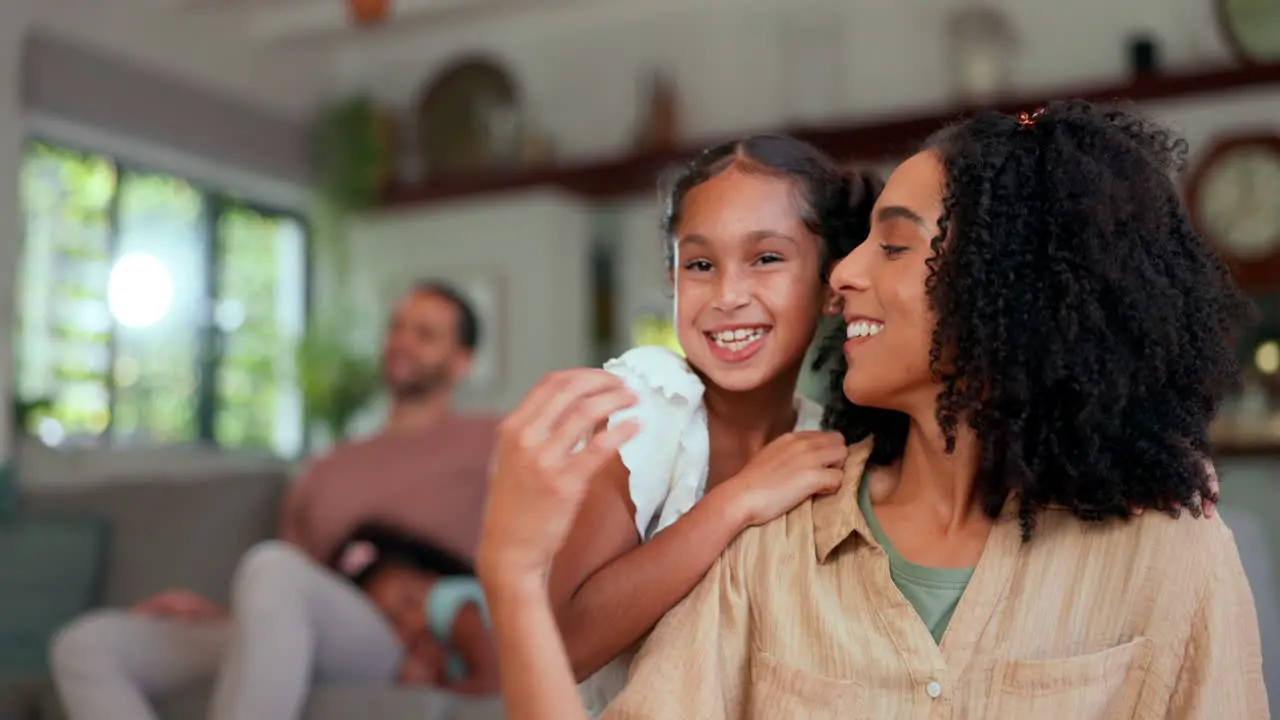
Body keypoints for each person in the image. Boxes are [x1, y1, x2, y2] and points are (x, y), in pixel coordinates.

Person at [477, 101, 1267, 719]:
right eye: (699, 264)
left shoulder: (1168, 551)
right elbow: (567, 643)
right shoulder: (765, 523)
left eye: (890, 247)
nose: (846, 276)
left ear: (1010, 291)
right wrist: (511, 573)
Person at [49, 281, 500, 720]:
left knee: (272, 566)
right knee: (88, 646)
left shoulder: (489, 443)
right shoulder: (330, 465)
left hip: (392, 635)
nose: (402, 342)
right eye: (397, 327)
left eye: (425, 334)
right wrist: (221, 611)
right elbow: (289, 586)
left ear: (462, 363)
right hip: (305, 618)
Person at [546, 135, 880, 713]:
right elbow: (562, 646)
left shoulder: (826, 443)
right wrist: (737, 501)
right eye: (701, 265)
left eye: (767, 258)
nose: (728, 295)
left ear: (831, 284)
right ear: (674, 282)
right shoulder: (647, 405)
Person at [331, 522, 498, 695]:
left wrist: (429, 692)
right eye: (394, 621)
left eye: (411, 601)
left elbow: (495, 684)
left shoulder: (447, 602)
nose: (412, 622)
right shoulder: (433, 645)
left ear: (433, 577)